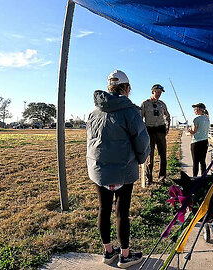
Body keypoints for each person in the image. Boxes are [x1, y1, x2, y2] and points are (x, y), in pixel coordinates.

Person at [86, 70, 150, 268]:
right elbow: (141, 139)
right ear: (127, 88)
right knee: (122, 211)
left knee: (104, 209)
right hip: (123, 169)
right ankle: (125, 255)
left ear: (109, 87)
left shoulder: (94, 112)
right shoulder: (130, 111)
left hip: (99, 170)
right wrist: (142, 159)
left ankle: (108, 252)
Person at [140, 84, 171, 184]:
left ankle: (162, 177)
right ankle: (149, 179)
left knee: (163, 156)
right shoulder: (145, 104)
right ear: (152, 91)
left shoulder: (162, 104)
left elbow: (167, 116)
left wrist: (167, 128)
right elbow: (140, 118)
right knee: (150, 156)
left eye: (160, 93)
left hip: (161, 131)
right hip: (150, 131)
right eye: (157, 92)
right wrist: (143, 130)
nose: (158, 95)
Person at [188, 103, 210, 177]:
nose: (194, 111)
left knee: (195, 162)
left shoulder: (196, 119)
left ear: (199, 109)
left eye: (195, 109)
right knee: (203, 161)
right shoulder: (207, 118)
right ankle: (204, 177)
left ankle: (195, 177)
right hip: (205, 142)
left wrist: (189, 131)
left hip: (196, 142)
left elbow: (194, 131)